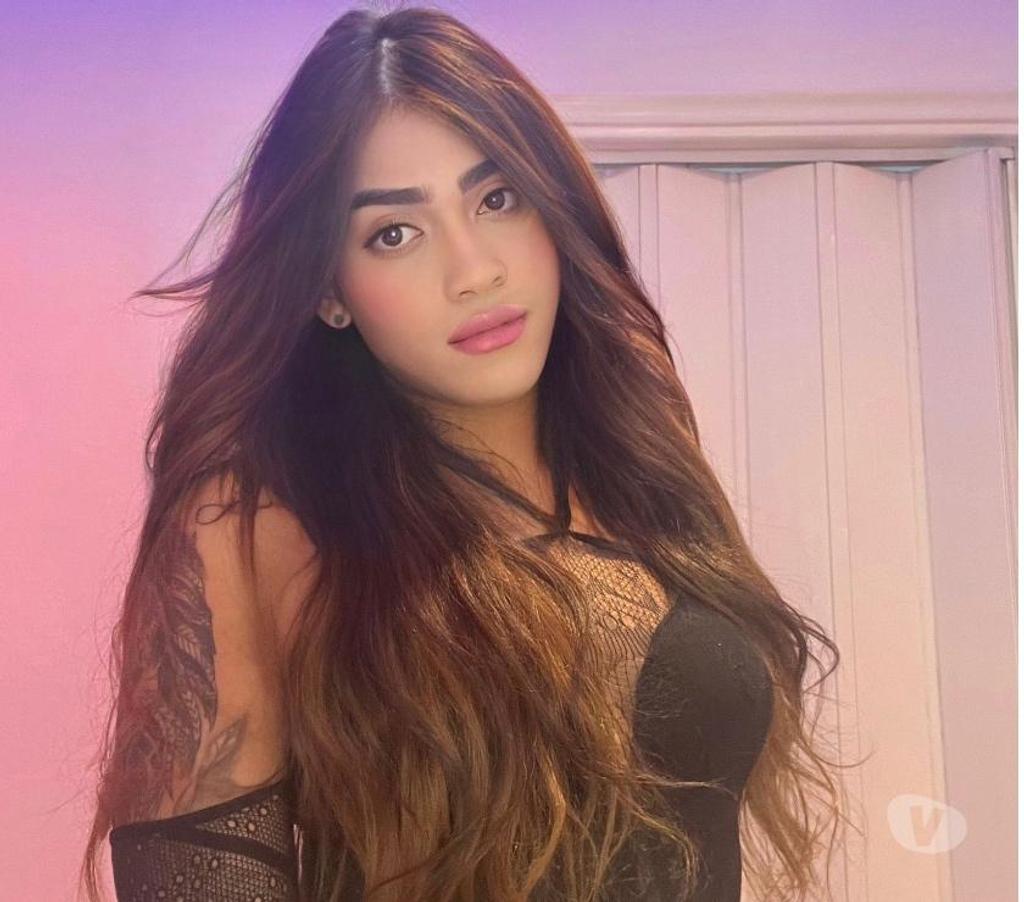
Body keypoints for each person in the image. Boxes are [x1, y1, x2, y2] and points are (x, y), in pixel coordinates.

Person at [79, 6, 857, 901]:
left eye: (497, 198)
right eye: (394, 233)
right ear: (330, 289)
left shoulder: (638, 469)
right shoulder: (260, 523)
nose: (474, 270)